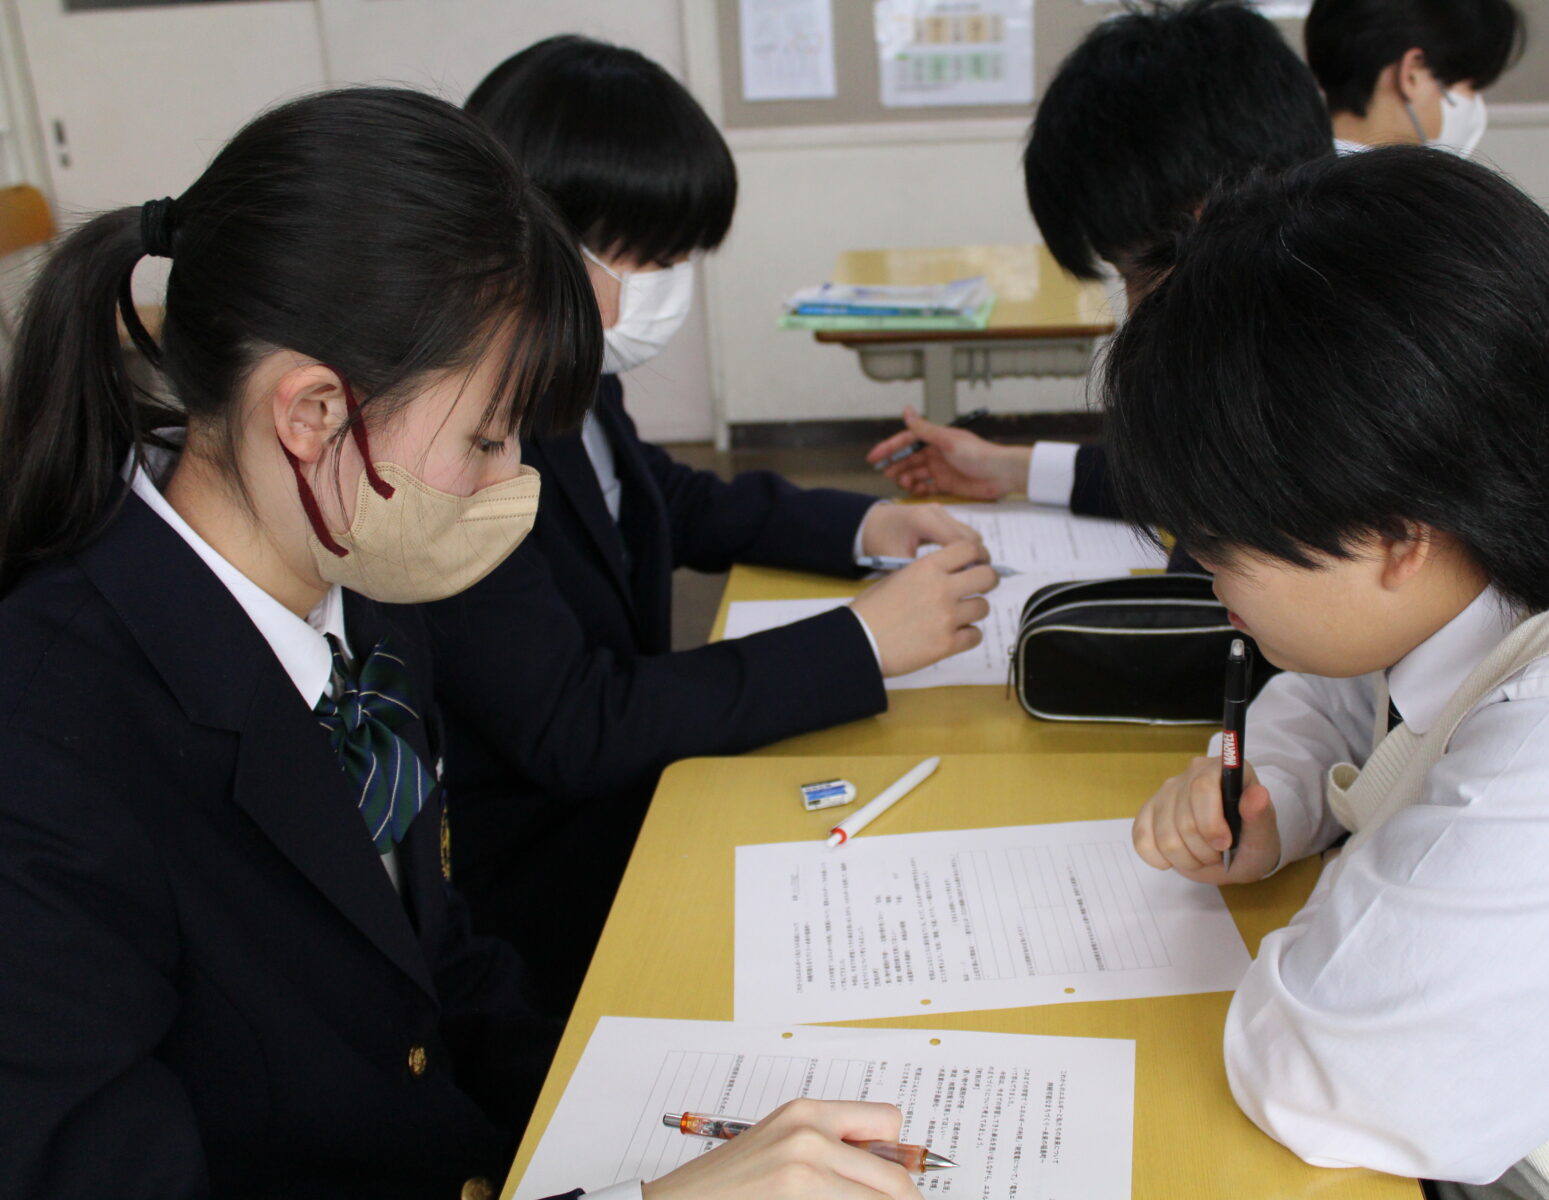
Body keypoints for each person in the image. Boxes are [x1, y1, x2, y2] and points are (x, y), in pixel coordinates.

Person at [0, 85, 923, 1200]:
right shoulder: (48, 745)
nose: (514, 488)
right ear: (312, 415)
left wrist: (656, 1126)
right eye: (488, 440)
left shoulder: (354, 575)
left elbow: (439, 970)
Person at [1111, 147, 1549, 1198]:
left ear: (1394, 533)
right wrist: (1280, 793)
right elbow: (1357, 684)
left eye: (1216, 541)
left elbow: (1324, 1073)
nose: (1205, 575)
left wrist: (1347, 885)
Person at [426, 36, 999, 1015]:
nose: (665, 286)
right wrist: (863, 641)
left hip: (633, 804)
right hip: (550, 893)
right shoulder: (455, 438)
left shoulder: (564, 372)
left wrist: (866, 529)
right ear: (537, 232)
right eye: (651, 256)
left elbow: (660, 498)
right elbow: (574, 725)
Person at [866, 0, 1331, 516]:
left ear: (1218, 218)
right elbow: (1201, 481)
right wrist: (1009, 467)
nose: (1134, 314)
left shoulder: (1359, 385)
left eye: (1142, 276)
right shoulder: (1299, 313)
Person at [1306, 0, 1524, 156]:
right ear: (1413, 74)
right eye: (1471, 85)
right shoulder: (1419, 208)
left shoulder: (1285, 183)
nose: (1476, 104)